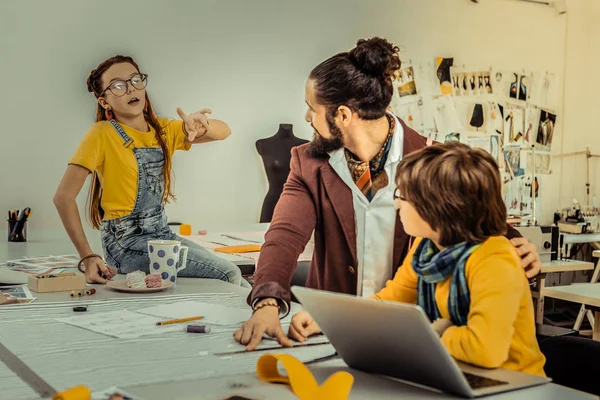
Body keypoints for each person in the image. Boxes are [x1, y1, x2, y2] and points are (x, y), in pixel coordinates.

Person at [234, 37, 541, 350]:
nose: (307, 118)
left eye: (312, 109)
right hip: (335, 332)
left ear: (342, 115)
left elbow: (476, 220)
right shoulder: (309, 162)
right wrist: (267, 303)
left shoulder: (428, 161)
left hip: (413, 337)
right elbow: (284, 234)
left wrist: (517, 245)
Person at [288, 142, 546, 376]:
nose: (397, 205)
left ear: (439, 207)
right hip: (457, 372)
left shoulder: (494, 259)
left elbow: (485, 350)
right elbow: (387, 304)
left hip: (513, 384)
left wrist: (432, 331)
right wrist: (330, 320)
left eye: (403, 196)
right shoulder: (427, 248)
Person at [53, 55, 245, 286]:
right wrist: (88, 256)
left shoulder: (163, 129)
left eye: (135, 80)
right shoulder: (101, 134)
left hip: (161, 235)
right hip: (125, 243)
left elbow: (224, 131)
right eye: (118, 86)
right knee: (229, 274)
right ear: (104, 102)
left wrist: (199, 124)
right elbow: (63, 197)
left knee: (240, 282)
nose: (130, 89)